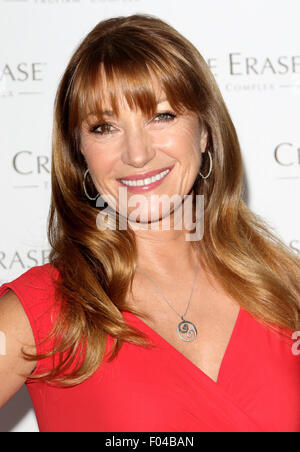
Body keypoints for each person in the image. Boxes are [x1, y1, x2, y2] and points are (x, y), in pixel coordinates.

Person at [1, 13, 300, 433]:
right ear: (79, 152)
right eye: (104, 127)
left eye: (161, 116)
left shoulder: (284, 289)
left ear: (204, 133)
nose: (137, 154)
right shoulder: (46, 310)